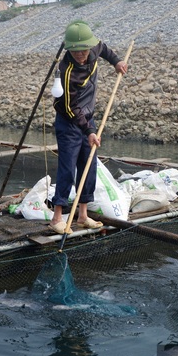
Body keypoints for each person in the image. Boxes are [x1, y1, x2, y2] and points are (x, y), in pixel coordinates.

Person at [48, 20, 128, 235]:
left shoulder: (94, 48)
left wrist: (117, 62)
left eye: (84, 51)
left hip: (88, 120)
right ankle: (57, 218)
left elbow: (105, 49)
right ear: (70, 50)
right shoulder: (66, 72)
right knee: (68, 167)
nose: (82, 55)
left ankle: (83, 215)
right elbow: (70, 107)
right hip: (70, 121)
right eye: (77, 52)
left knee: (89, 166)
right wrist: (89, 130)